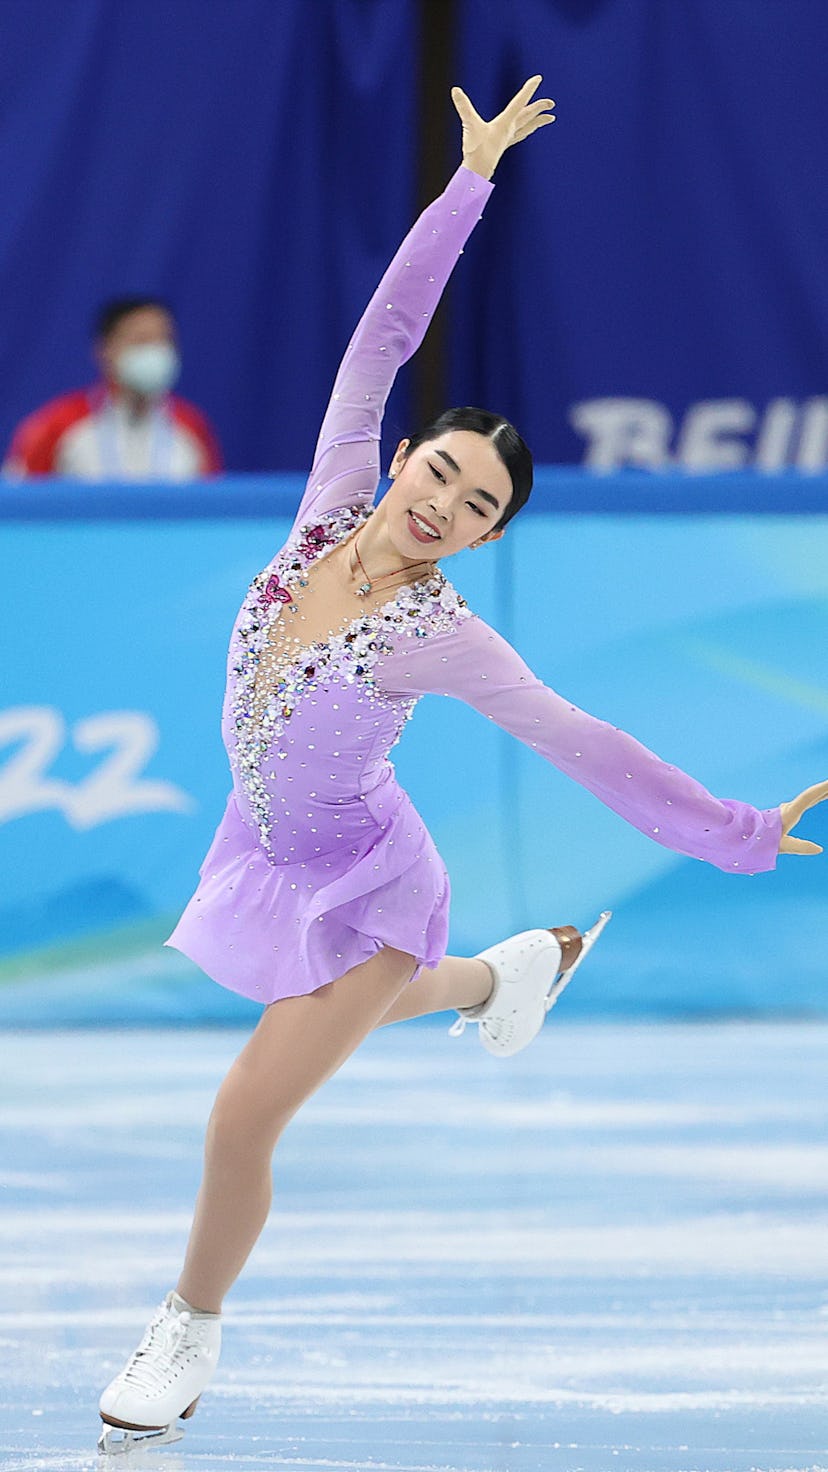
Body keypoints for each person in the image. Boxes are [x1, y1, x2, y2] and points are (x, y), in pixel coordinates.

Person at [96, 77, 828, 1453]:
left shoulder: (444, 636)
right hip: (267, 851)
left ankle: (184, 1335)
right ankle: (515, 971)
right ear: (408, 460)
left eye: (477, 506)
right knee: (370, 1025)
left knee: (243, 1111)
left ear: (485, 538)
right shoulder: (328, 506)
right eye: (441, 471)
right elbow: (382, 337)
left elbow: (587, 743)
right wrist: (472, 181)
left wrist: (735, 831)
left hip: (368, 880)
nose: (444, 500)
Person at [3, 297, 222, 480]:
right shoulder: (57, 425)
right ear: (105, 350)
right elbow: (18, 505)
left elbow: (212, 509)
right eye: (141, 340)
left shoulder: (192, 425)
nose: (155, 351)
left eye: (165, 340)